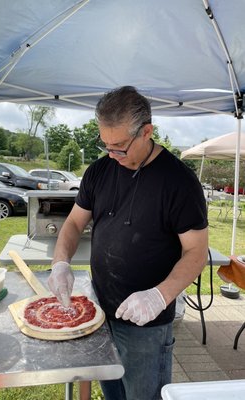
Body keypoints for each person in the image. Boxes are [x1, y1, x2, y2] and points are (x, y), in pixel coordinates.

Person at [47, 86, 208, 400]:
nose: (111, 154)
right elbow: (74, 223)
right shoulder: (99, 171)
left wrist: (159, 296)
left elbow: (196, 253)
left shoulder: (179, 183)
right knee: (113, 393)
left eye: (119, 146)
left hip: (147, 324)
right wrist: (60, 263)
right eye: (105, 144)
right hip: (101, 311)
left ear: (147, 131)